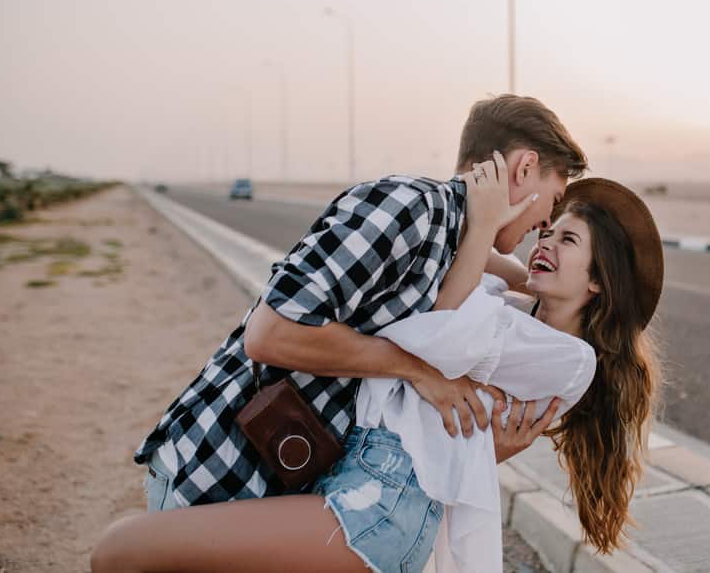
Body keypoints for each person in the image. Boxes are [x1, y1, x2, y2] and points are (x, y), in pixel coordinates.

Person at [92, 171, 664, 573]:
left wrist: (483, 222)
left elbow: (438, 324)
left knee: (123, 549)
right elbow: (472, 289)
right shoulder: (511, 314)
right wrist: (474, 212)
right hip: (362, 479)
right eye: (549, 228)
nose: (546, 241)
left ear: (598, 281)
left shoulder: (569, 360)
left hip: (383, 503)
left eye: (568, 239)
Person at [126, 93, 588, 513]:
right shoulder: (411, 206)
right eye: (554, 198)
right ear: (525, 168)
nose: (547, 220)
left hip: (267, 482)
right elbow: (270, 333)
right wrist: (418, 370)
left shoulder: (452, 239)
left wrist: (557, 280)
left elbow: (483, 273)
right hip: (218, 473)